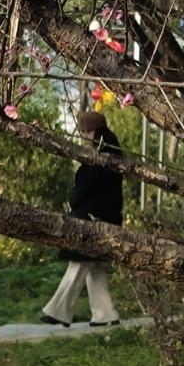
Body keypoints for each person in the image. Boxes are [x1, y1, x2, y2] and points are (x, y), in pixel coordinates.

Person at [40, 109, 123, 328]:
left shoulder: (99, 160)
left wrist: (73, 200)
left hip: (91, 221)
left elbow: (82, 191)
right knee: (93, 269)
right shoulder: (110, 156)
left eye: (84, 131)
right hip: (102, 219)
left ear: (93, 132)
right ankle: (105, 314)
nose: (82, 135)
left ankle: (58, 311)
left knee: (78, 265)